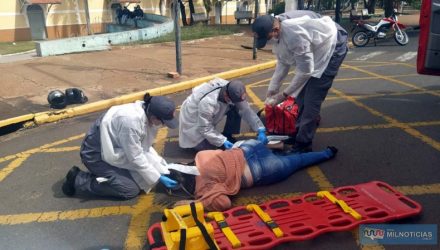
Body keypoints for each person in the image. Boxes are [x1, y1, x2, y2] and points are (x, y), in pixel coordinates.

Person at [252, 11, 348, 153]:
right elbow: (283, 63)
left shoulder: (294, 34)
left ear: (276, 30)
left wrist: (283, 95)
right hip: (314, 48)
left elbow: (305, 71)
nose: (268, 42)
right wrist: (272, 89)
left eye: (268, 38)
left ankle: (304, 143)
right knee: (300, 98)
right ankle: (297, 132)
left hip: (332, 46)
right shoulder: (276, 26)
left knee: (311, 100)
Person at [61, 93, 180, 200]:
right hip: (95, 154)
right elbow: (135, 157)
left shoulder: (146, 113)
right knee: (129, 189)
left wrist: (161, 170)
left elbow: (143, 148)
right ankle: (78, 179)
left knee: (143, 176)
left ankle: (108, 175)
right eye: (163, 122)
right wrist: (157, 177)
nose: (163, 125)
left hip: (117, 148)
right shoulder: (131, 122)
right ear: (154, 117)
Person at [167, 139, 338, 211]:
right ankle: (280, 145)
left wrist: (196, 203)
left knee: (298, 161)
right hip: (249, 147)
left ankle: (327, 153)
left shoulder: (203, 188)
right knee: (280, 153)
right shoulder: (200, 156)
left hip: (261, 169)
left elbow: (224, 203)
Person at [179, 78, 268, 151]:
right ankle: (220, 140)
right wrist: (222, 141)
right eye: (233, 100)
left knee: (236, 108)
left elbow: (245, 110)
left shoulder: (232, 89)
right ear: (226, 95)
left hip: (209, 110)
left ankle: (228, 134)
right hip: (193, 117)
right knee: (207, 148)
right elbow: (205, 128)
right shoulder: (208, 102)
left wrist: (260, 129)